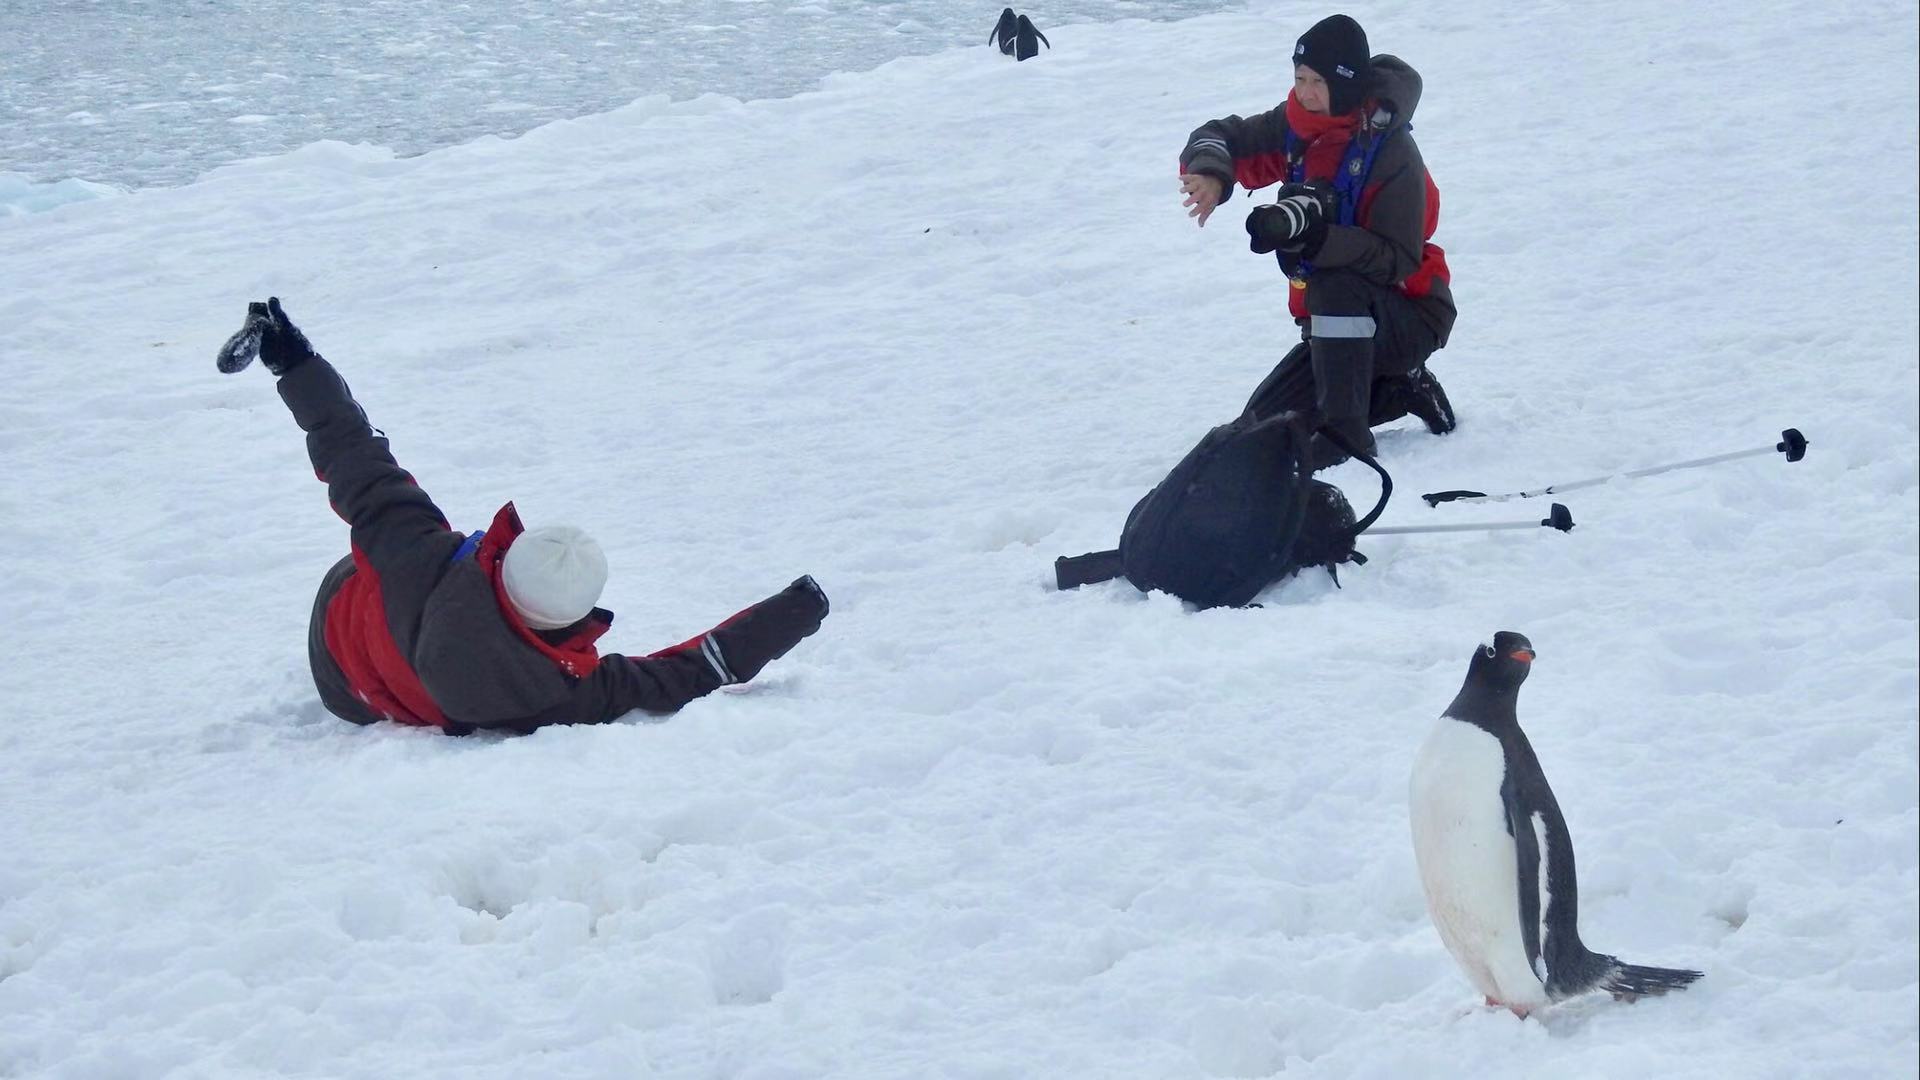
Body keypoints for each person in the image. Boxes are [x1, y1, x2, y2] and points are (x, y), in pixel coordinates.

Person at [218, 298, 828, 736]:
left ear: (502, 561)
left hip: (342, 615)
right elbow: (682, 674)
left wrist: (292, 360)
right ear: (575, 620)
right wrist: (792, 615)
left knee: (376, 523)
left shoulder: (417, 549)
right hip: (348, 698)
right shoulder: (550, 691)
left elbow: (352, 450)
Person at [1177, 13, 1457, 469]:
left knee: (1332, 285)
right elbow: (1221, 136)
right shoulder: (1296, 127)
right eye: (1299, 77)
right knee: (1262, 426)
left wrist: (1320, 240)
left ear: (1345, 84)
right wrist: (1212, 172)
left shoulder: (1390, 151)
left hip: (1411, 314)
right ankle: (1395, 388)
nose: (1305, 92)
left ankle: (1348, 440)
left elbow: (1398, 260)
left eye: (1317, 81)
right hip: (1333, 323)